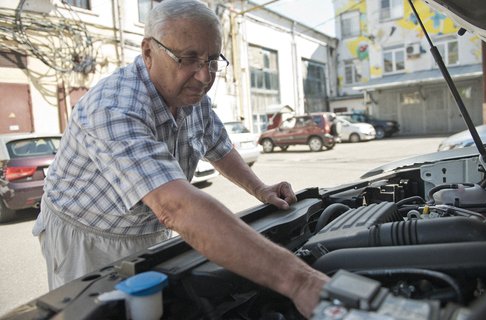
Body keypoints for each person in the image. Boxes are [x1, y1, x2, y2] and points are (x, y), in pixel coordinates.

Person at [32, 0, 329, 317]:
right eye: (188, 59)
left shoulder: (190, 94)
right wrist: (299, 282)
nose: (203, 76)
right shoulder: (114, 106)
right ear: (148, 52)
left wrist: (260, 189)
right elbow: (174, 206)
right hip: (90, 236)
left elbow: (219, 147)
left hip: (149, 228)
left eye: (212, 60)